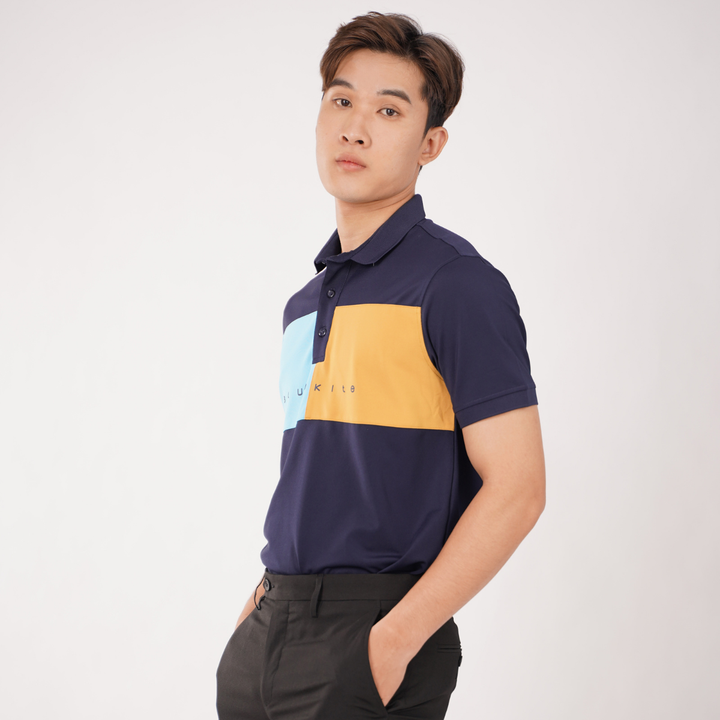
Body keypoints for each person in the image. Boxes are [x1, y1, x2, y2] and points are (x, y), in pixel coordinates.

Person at [216, 11, 545, 720]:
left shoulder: (456, 284)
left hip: (372, 635)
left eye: (388, 110)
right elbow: (316, 480)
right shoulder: (303, 305)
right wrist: (254, 616)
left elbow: (518, 488)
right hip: (269, 626)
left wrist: (392, 641)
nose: (355, 128)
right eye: (341, 100)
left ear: (431, 143)